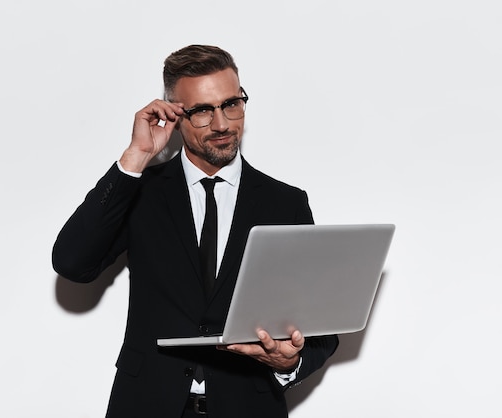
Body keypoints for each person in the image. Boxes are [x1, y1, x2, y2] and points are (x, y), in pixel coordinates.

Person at [52, 44, 339, 418]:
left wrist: (290, 362)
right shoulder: (141, 192)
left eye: (231, 104)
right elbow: (73, 262)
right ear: (173, 114)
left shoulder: (285, 203)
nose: (221, 124)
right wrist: (135, 158)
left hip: (248, 407)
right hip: (146, 404)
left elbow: (322, 326)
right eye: (203, 110)